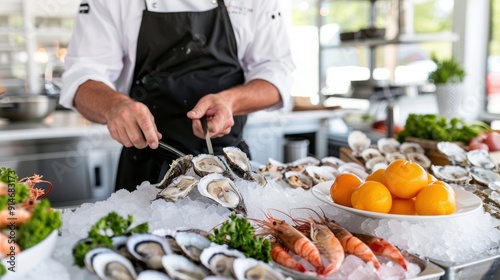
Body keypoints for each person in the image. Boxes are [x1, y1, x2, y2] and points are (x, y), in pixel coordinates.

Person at [61, 0, 295, 191]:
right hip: (145, 172)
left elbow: (277, 74)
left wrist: (230, 101)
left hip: (230, 167)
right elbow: (81, 76)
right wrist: (114, 105)